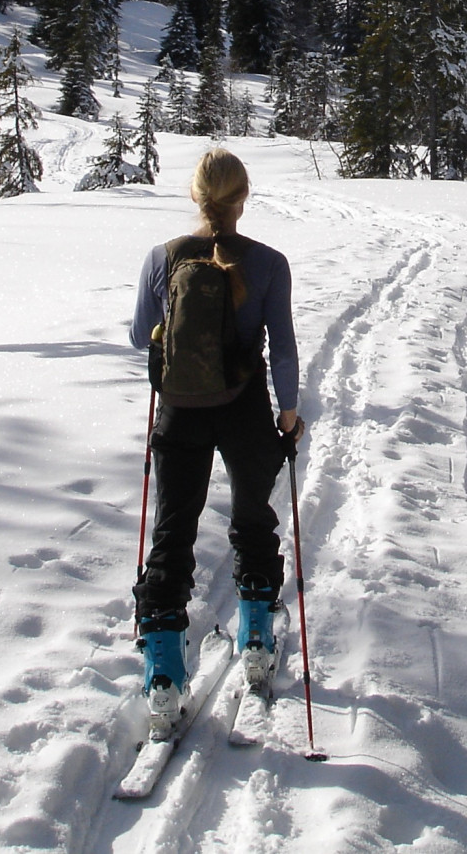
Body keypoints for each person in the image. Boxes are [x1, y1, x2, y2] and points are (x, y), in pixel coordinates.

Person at [128, 147, 302, 736]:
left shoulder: (162, 257)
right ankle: (255, 637)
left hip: (180, 408)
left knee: (173, 528)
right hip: (245, 406)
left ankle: (163, 673)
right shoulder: (271, 263)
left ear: (195, 196)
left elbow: (137, 336)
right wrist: (289, 412)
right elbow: (281, 346)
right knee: (254, 515)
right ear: (243, 198)